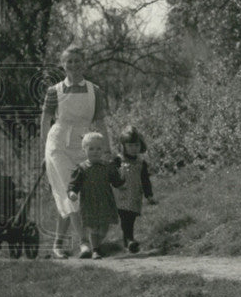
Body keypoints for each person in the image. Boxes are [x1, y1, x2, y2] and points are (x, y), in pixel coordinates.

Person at [41, 45, 111, 259]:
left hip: (83, 144)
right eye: (69, 61)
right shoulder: (54, 91)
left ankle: (58, 244)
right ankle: (83, 243)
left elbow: (99, 122)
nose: (73, 65)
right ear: (63, 65)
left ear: (84, 63)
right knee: (70, 191)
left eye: (77, 61)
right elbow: (45, 121)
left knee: (72, 193)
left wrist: (107, 151)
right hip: (58, 145)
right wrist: (43, 153)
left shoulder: (95, 91)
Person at [67, 132, 123, 259]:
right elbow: (73, 184)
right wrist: (72, 192)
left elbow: (115, 181)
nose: (95, 152)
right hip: (89, 202)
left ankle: (98, 244)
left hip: (105, 201)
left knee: (104, 227)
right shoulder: (82, 168)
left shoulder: (107, 167)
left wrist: (122, 181)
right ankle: (96, 250)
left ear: (103, 149)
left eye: (99, 148)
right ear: (84, 150)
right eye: (91, 148)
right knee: (93, 226)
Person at [113, 125, 157, 254]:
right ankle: (129, 239)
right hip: (120, 195)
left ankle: (128, 241)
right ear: (124, 146)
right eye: (130, 146)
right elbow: (111, 175)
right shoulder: (118, 160)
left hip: (134, 195)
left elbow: (145, 180)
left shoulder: (141, 162)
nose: (134, 149)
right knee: (125, 216)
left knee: (131, 217)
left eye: (136, 145)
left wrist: (149, 195)